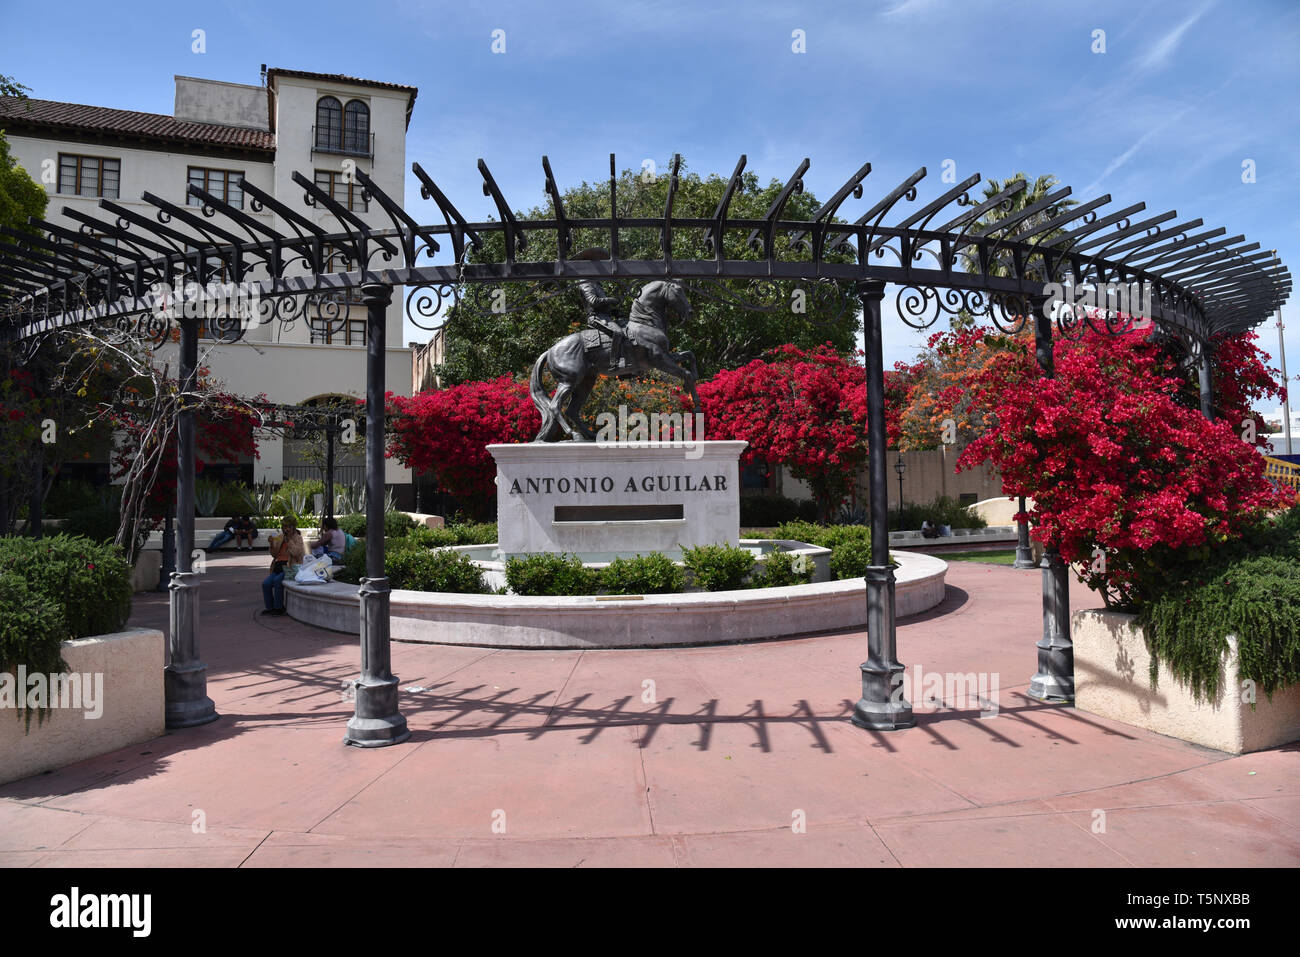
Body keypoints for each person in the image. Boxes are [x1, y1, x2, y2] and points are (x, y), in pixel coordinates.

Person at [261, 516, 305, 616]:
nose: (285, 529)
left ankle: (279, 607)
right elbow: (274, 554)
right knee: (266, 583)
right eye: (284, 526)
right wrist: (272, 544)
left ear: (293, 527)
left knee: (277, 581)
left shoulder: (298, 538)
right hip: (277, 566)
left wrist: (289, 540)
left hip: (289, 568)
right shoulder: (280, 537)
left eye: (287, 527)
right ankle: (269, 608)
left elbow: (296, 553)